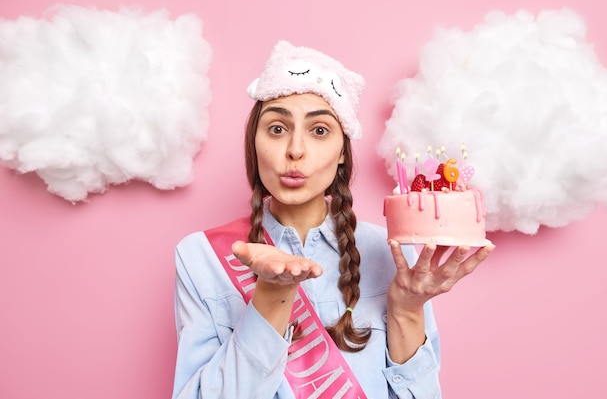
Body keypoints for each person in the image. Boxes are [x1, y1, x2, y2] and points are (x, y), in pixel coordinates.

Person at [171, 40, 495, 399]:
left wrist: (406, 310)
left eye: (320, 130)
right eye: (277, 128)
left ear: (342, 151)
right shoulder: (200, 257)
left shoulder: (391, 253)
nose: (295, 150)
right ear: (254, 142)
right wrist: (270, 297)